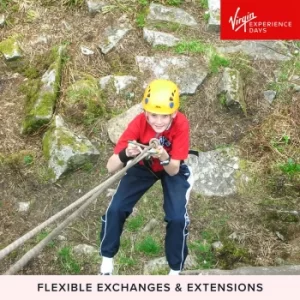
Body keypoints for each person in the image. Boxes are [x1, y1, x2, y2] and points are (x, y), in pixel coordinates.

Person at [99, 79, 194, 275]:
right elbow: (111, 167)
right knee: (116, 208)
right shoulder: (138, 123)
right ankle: (107, 261)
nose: (158, 121)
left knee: (177, 218)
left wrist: (165, 157)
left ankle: (175, 270)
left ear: (173, 114)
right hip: (144, 167)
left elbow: (174, 170)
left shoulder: (181, 124)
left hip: (170, 167)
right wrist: (127, 154)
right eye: (153, 115)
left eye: (164, 116)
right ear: (145, 113)